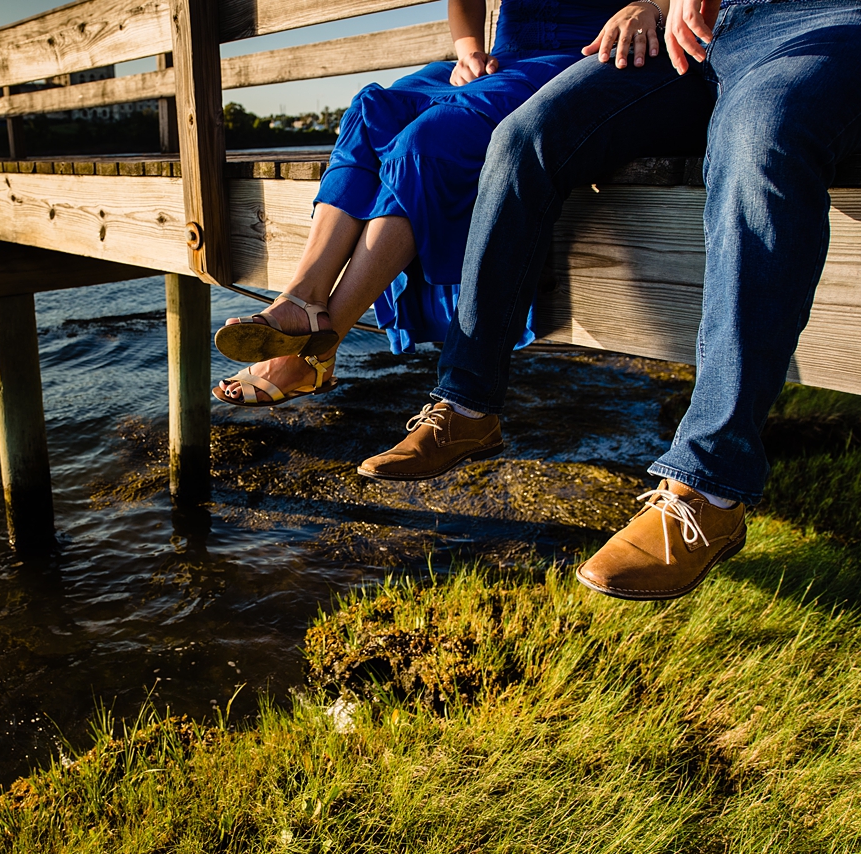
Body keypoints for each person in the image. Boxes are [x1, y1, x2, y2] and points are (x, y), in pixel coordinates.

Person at [357, 0, 861, 599]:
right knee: (524, 134)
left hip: (826, 22)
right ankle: (467, 406)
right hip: (704, 30)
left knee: (758, 134)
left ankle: (710, 486)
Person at [212, 0, 656, 406]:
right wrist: (468, 50)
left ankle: (314, 347)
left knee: (426, 142)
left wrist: (649, 5)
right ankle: (302, 297)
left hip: (576, 62)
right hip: (498, 62)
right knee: (371, 110)